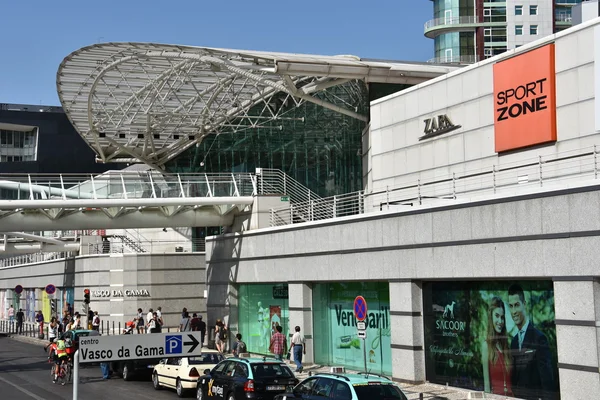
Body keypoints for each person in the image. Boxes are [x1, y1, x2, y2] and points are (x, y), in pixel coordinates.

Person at [508, 284, 555, 400]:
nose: (513, 311)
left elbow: (547, 381)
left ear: (524, 305)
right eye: (511, 306)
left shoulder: (539, 338)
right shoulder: (514, 341)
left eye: (516, 305)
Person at [481, 296, 512, 396]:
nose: (500, 321)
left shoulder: (506, 345)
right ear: (491, 317)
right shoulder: (486, 346)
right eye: (497, 316)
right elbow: (487, 386)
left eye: (502, 317)